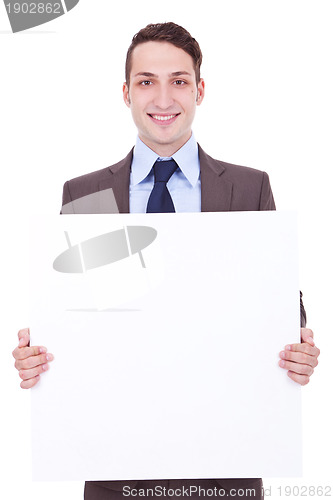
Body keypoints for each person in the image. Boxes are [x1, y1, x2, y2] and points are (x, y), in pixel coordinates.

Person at [12, 22, 320, 500]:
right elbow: (79, 317)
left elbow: (276, 300)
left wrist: (298, 341)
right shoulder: (87, 194)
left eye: (178, 81)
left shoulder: (246, 188)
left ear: (199, 90)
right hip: (118, 468)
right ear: (126, 92)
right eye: (146, 81)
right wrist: (40, 355)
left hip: (225, 465)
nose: (162, 98)